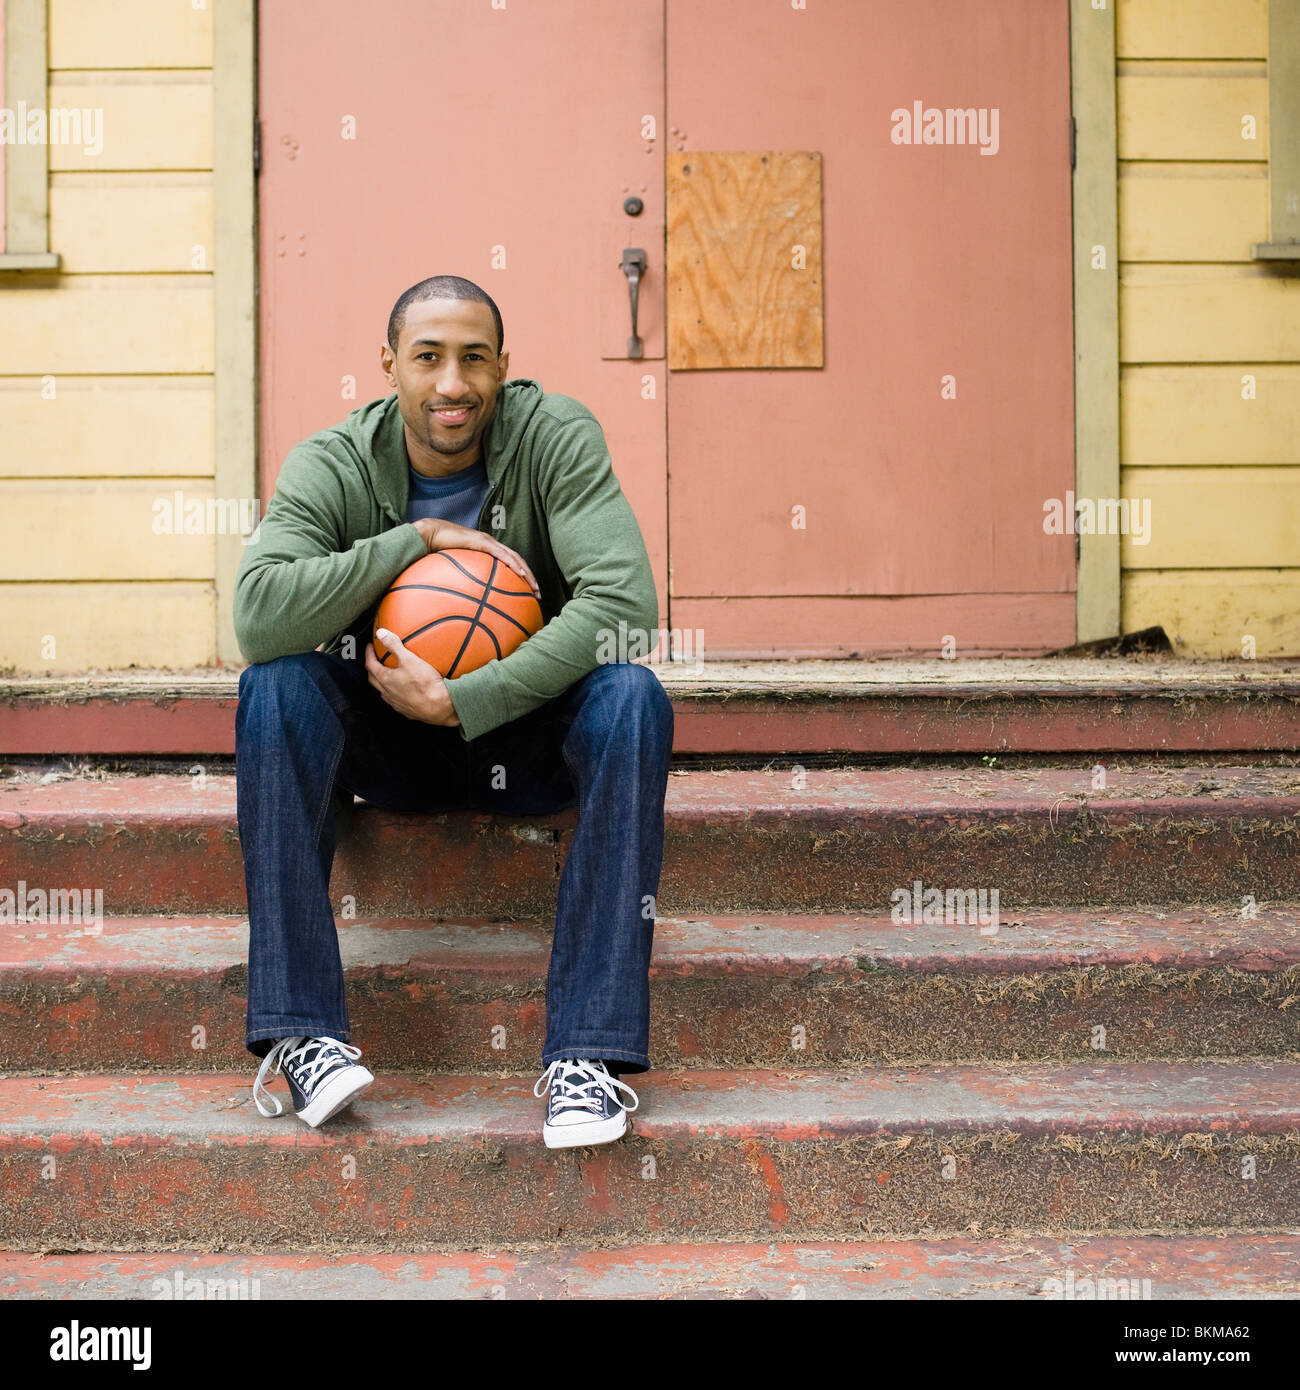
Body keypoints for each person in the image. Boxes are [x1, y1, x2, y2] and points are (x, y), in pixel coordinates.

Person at [232, 274, 672, 1148]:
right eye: (428, 357)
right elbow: (258, 616)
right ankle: (304, 1032)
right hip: (388, 743)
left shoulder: (555, 436)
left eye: (474, 359)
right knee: (274, 685)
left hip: (525, 731)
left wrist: (470, 698)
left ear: (504, 368)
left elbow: (625, 605)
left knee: (633, 696)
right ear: (389, 364)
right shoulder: (334, 462)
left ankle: (587, 1056)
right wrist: (415, 541)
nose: (452, 383)